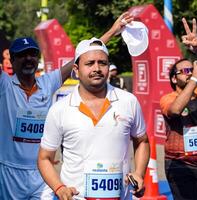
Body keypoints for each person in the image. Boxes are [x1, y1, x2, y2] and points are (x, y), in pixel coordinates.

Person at [0, 12, 134, 200]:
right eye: (21, 55)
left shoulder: (47, 83)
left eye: (32, 54)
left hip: (42, 173)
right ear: (11, 60)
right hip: (10, 172)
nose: (28, 59)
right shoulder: (4, 85)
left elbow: (83, 57)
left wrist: (112, 32)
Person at [37, 36, 150, 200]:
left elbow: (142, 141)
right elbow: (44, 158)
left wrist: (139, 173)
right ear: (76, 69)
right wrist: (59, 188)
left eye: (102, 63)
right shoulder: (59, 109)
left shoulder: (128, 101)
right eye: (89, 63)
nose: (97, 68)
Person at [160, 18, 197, 200]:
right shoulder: (168, 98)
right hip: (180, 165)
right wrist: (194, 80)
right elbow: (176, 109)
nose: (189, 72)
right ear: (174, 79)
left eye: (191, 69)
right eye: (183, 71)